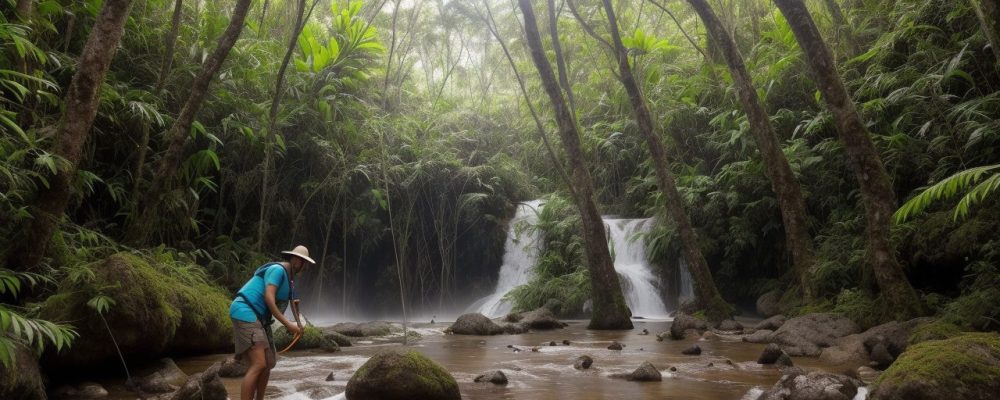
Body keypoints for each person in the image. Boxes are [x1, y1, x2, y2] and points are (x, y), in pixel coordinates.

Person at [229, 245, 314, 400]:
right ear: (296, 260)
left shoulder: (290, 279)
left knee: (268, 363)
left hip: (260, 319)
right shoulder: (278, 270)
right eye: (304, 262)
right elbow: (269, 298)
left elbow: (294, 303)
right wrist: (288, 324)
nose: (306, 267)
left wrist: (299, 326)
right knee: (259, 363)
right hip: (246, 310)